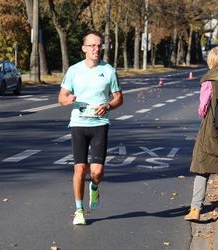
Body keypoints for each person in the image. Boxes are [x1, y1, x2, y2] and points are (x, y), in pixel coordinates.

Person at [58, 31, 123, 225]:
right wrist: (68, 99)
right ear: (84, 48)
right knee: (80, 169)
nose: (97, 49)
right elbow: (61, 97)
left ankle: (94, 188)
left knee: (96, 172)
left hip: (99, 125)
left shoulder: (109, 70)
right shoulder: (74, 70)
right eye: (92, 45)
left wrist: (109, 106)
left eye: (99, 45)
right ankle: (79, 210)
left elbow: (119, 97)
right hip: (79, 123)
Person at [184, 46, 218, 221]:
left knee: (202, 168)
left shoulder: (209, 81)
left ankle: (195, 209)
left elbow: (202, 109)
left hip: (211, 129)